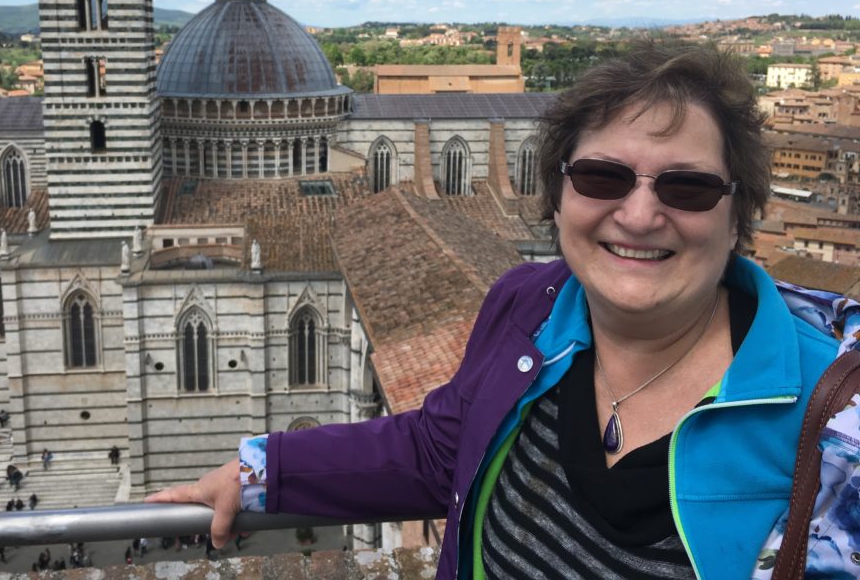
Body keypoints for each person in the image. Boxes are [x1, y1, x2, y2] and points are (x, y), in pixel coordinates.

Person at [147, 42, 860, 580]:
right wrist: (260, 469)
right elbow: (435, 447)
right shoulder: (530, 305)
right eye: (601, 176)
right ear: (556, 197)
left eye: (688, 189)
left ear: (740, 215)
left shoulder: (839, 424)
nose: (639, 214)